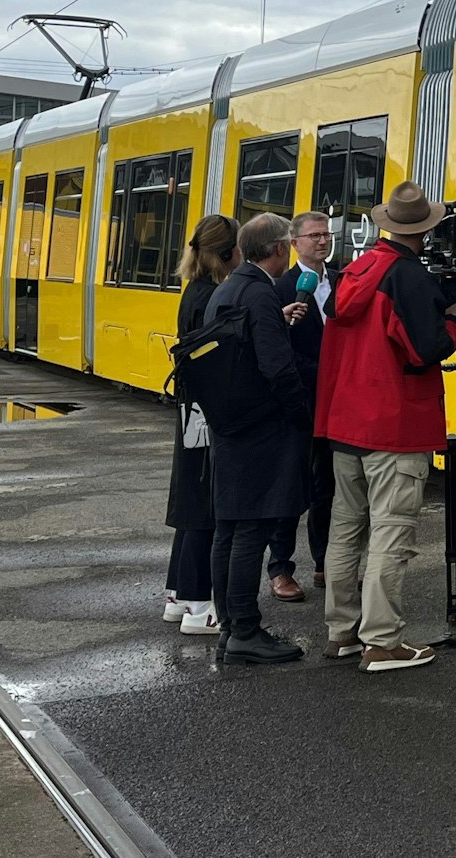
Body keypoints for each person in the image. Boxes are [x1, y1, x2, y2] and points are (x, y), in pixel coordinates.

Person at [314, 182, 456, 673]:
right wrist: (455, 322)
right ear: (422, 231)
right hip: (394, 425)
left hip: (346, 423)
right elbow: (424, 351)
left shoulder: (355, 270)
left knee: (345, 531)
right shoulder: (409, 279)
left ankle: (342, 632)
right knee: (390, 534)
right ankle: (381, 641)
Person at [205, 213, 312, 664]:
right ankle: (246, 630)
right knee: (252, 528)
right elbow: (277, 368)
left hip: (229, 427)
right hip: (261, 431)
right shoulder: (260, 294)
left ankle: (231, 627)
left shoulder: (229, 288)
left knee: (227, 530)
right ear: (278, 249)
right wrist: (301, 417)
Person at [163, 214, 239, 637]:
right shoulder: (215, 295)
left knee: (192, 498)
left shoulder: (194, 290)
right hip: (206, 412)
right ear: (228, 253)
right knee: (205, 506)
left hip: (190, 409)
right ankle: (198, 603)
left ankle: (179, 591)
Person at [269, 210, 338, 600]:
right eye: (314, 236)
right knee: (291, 486)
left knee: (326, 486)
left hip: (335, 402)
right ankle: (280, 567)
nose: (322, 242)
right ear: (294, 243)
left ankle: (325, 562)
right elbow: (282, 351)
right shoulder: (283, 287)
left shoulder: (343, 281)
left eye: (326, 234)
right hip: (298, 401)